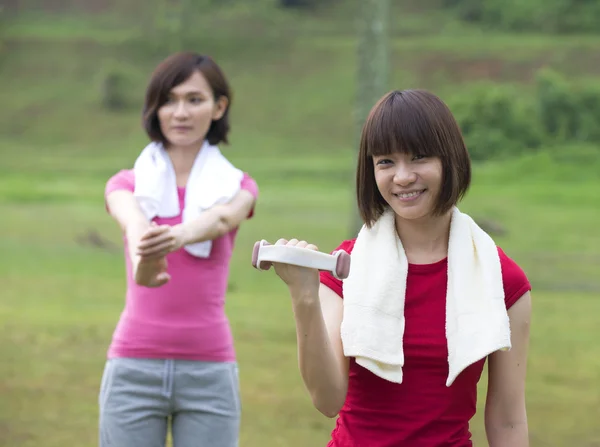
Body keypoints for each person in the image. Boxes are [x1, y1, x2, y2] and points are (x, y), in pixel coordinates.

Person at [269, 89, 532, 446]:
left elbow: (509, 419)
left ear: (450, 160)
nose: (403, 177)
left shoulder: (503, 279)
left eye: (419, 157)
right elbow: (327, 400)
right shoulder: (346, 266)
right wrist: (304, 297)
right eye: (386, 162)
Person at [99, 51, 258, 447]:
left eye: (194, 99)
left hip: (210, 370)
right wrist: (147, 243)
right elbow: (132, 219)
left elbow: (222, 219)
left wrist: (177, 236)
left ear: (219, 107)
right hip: (132, 366)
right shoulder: (125, 182)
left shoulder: (238, 185)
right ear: (155, 109)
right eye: (168, 100)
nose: (180, 112)